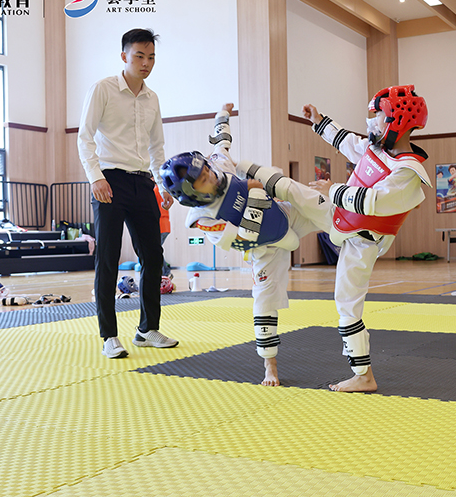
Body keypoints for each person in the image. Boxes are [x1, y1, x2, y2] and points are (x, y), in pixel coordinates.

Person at [160, 103, 333, 387]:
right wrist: (254, 199)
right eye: (203, 179)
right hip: (263, 249)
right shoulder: (204, 219)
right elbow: (243, 241)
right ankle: (270, 366)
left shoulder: (218, 166)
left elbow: (221, 141)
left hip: (284, 214)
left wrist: (222, 114)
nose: (210, 175)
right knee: (264, 302)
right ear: (191, 194)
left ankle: (357, 214)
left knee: (323, 209)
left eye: (206, 170)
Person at [303, 84, 431, 392]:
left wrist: (332, 189)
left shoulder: (408, 172)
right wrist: (319, 121)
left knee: (346, 302)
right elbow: (348, 142)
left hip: (364, 239)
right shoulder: (377, 148)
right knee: (292, 199)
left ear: (397, 121)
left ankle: (363, 375)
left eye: (378, 116)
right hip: (339, 215)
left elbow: (372, 201)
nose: (371, 122)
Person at [77, 28, 178, 359]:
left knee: (153, 257)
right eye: (139, 56)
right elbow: (84, 137)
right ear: (124, 56)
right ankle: (109, 335)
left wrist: (164, 184)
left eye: (151, 57)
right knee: (107, 259)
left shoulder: (153, 98)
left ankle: (147, 330)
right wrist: (95, 178)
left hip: (142, 183)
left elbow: (157, 147)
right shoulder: (103, 89)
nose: (145, 63)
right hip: (109, 181)